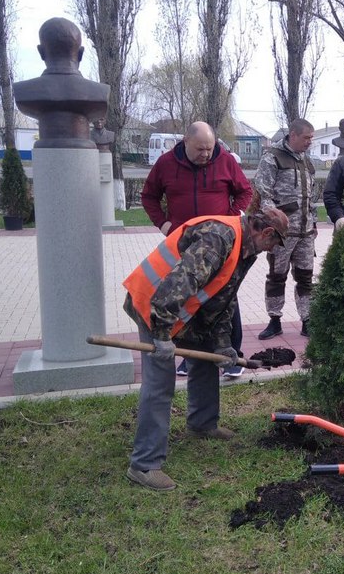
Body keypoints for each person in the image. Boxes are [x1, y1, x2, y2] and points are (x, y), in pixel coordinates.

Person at [123, 208, 288, 491]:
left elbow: (224, 297)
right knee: (160, 381)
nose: (273, 249)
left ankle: (202, 423)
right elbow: (176, 286)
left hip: (180, 309)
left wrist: (222, 344)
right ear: (267, 232)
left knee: (206, 354)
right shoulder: (218, 239)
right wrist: (161, 336)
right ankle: (144, 464)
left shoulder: (245, 248)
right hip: (153, 304)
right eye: (275, 243)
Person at [141, 121, 253, 378]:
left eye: (209, 148)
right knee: (186, 297)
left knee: (225, 296)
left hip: (219, 245)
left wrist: (229, 218)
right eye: (200, 149)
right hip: (183, 244)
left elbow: (245, 192)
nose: (206, 154)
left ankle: (232, 355)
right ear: (185, 142)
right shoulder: (166, 164)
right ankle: (188, 356)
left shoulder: (225, 161)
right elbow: (149, 196)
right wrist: (164, 224)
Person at [253, 118, 318, 340]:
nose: (310, 142)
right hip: (281, 234)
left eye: (311, 138)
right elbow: (264, 194)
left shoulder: (306, 161)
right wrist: (274, 219)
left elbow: (311, 197)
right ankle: (274, 321)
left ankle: (307, 320)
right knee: (277, 276)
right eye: (306, 138)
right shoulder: (272, 158)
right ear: (293, 135)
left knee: (305, 277)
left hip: (305, 233)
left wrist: (313, 223)